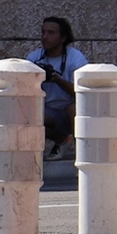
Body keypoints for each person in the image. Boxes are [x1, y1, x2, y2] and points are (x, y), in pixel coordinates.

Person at [26, 16, 87, 159]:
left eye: (51, 33)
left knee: (74, 108)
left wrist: (56, 80)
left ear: (63, 37)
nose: (45, 37)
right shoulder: (34, 58)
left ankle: (84, 152)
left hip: (70, 109)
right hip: (48, 110)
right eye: (43, 32)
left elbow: (82, 92)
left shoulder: (75, 58)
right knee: (26, 117)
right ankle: (61, 140)